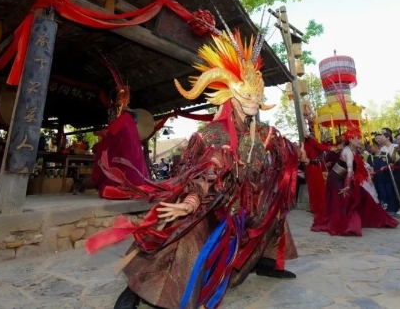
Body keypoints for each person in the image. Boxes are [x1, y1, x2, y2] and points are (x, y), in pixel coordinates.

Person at [86, 31, 301, 309]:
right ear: (231, 93)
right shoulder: (215, 135)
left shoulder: (261, 132)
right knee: (183, 234)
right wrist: (190, 202)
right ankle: (136, 289)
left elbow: (276, 152)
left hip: (244, 203)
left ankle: (267, 262)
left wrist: (294, 153)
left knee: (274, 205)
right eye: (246, 94)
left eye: (256, 94)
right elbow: (209, 170)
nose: (253, 99)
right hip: (212, 202)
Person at [311, 130, 399, 236]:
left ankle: (377, 219)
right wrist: (347, 186)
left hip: (344, 178)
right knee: (347, 201)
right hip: (337, 179)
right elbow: (350, 170)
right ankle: (349, 225)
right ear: (351, 140)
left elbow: (357, 166)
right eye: (358, 138)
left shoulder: (354, 150)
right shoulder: (348, 152)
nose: (360, 140)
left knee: (363, 196)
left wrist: (364, 175)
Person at [367, 142, 397, 216]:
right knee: (382, 194)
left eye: (371, 147)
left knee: (390, 193)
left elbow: (391, 164)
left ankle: (393, 209)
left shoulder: (385, 154)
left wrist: (386, 166)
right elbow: (370, 167)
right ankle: (385, 210)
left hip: (388, 178)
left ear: (376, 146)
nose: (370, 149)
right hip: (378, 179)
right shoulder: (370, 157)